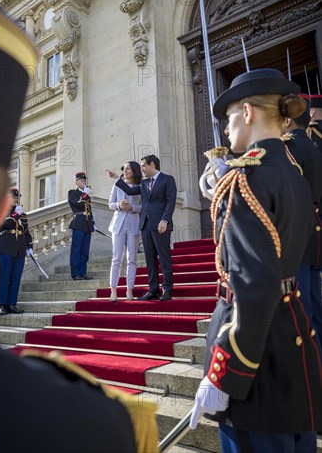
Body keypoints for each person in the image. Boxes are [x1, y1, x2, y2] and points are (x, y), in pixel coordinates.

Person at [0, 0, 158, 453]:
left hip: (32, 243)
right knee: (26, 276)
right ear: (0, 206)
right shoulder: (95, 424)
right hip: (30, 240)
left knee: (36, 273)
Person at [190, 69, 322, 452]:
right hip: (292, 337)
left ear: (246, 112)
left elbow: (253, 287)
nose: (226, 130)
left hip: (254, 357)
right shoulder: (292, 170)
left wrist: (224, 373)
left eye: (228, 117)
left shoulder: (246, 179)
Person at [283, 97, 322, 356]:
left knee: (302, 303)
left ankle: (309, 363)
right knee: (315, 302)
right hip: (313, 230)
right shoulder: (312, 146)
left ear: (287, 121)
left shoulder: (291, 147)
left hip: (297, 231)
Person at [108, 154, 177, 301]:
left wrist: (165, 220)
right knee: (150, 260)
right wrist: (116, 178)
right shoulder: (144, 184)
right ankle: (153, 290)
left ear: (152, 165)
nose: (142, 169)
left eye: (144, 166)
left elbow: (170, 202)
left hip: (161, 225)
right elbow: (131, 190)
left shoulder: (167, 179)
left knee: (164, 258)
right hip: (145, 226)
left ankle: (167, 289)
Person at [0, 186, 33, 315]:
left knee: (16, 277)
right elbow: (1, 227)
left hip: (19, 249)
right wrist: (15, 215)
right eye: (12, 197)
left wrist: (30, 246)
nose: (15, 199)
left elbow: (26, 232)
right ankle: (3, 305)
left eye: (16, 197)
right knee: (5, 276)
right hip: (5, 247)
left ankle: (12, 304)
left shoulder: (23, 215)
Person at [108, 161, 142, 301]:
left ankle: (129, 291)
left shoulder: (140, 186)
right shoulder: (117, 184)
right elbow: (110, 203)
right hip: (118, 224)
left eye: (128, 168)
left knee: (132, 259)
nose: (125, 170)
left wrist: (132, 207)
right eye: (124, 169)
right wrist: (119, 205)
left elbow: (143, 206)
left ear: (134, 170)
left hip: (133, 223)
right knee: (116, 259)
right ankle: (113, 291)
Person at [68, 171, 95, 280]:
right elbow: (77, 204)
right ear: (76, 182)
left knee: (85, 250)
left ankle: (83, 272)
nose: (84, 182)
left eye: (84, 180)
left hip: (87, 224)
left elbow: (89, 210)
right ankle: (75, 273)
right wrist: (85, 194)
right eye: (81, 180)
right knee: (76, 250)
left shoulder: (86, 196)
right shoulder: (72, 192)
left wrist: (93, 223)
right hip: (78, 223)